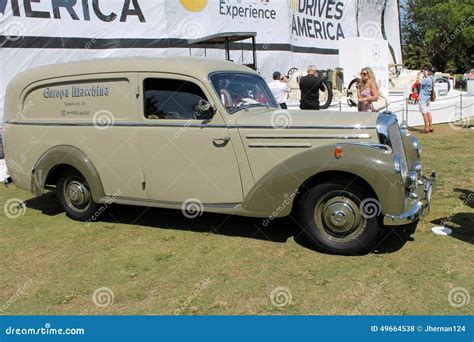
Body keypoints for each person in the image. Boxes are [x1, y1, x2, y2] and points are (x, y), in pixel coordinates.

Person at [415, 66, 436, 134]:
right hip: (427, 99)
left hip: (423, 98)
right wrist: (424, 74)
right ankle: (430, 127)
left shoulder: (427, 79)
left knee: (424, 114)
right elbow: (427, 79)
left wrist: (419, 76)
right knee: (428, 112)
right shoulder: (433, 79)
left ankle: (426, 128)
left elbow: (417, 82)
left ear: (430, 71)